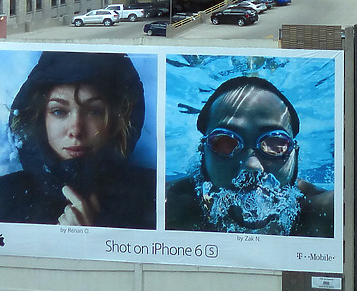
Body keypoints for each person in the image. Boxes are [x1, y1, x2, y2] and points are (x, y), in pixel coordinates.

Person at [0, 51, 156, 228]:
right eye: (59, 111)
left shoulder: (152, 194)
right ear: (40, 118)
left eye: (94, 111)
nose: (76, 130)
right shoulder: (4, 196)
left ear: (117, 119)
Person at [166, 75, 333, 237]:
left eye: (274, 143)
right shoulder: (165, 206)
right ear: (202, 152)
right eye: (226, 142)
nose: (252, 166)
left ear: (295, 155)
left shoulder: (326, 213)